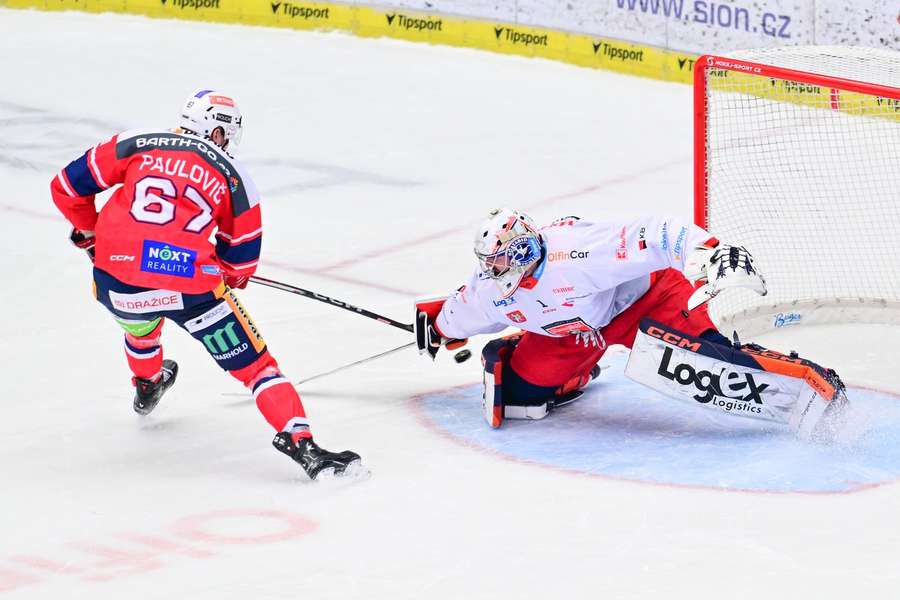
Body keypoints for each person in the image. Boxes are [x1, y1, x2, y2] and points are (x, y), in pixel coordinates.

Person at [51, 89, 361, 479]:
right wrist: (224, 271)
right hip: (192, 291)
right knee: (259, 369)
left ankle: (147, 384)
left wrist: (92, 233)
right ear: (216, 132)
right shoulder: (234, 176)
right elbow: (241, 263)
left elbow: (65, 186)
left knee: (143, 327)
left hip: (117, 283)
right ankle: (304, 446)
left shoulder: (135, 141)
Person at [415, 208, 847, 440]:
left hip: (648, 301)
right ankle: (574, 375)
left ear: (526, 248)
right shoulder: (491, 286)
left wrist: (710, 253)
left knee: (711, 368)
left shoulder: (577, 253)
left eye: (502, 257)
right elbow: (462, 310)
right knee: (518, 395)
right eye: (489, 261)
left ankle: (807, 376)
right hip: (576, 334)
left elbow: (655, 232)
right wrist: (440, 328)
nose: (494, 267)